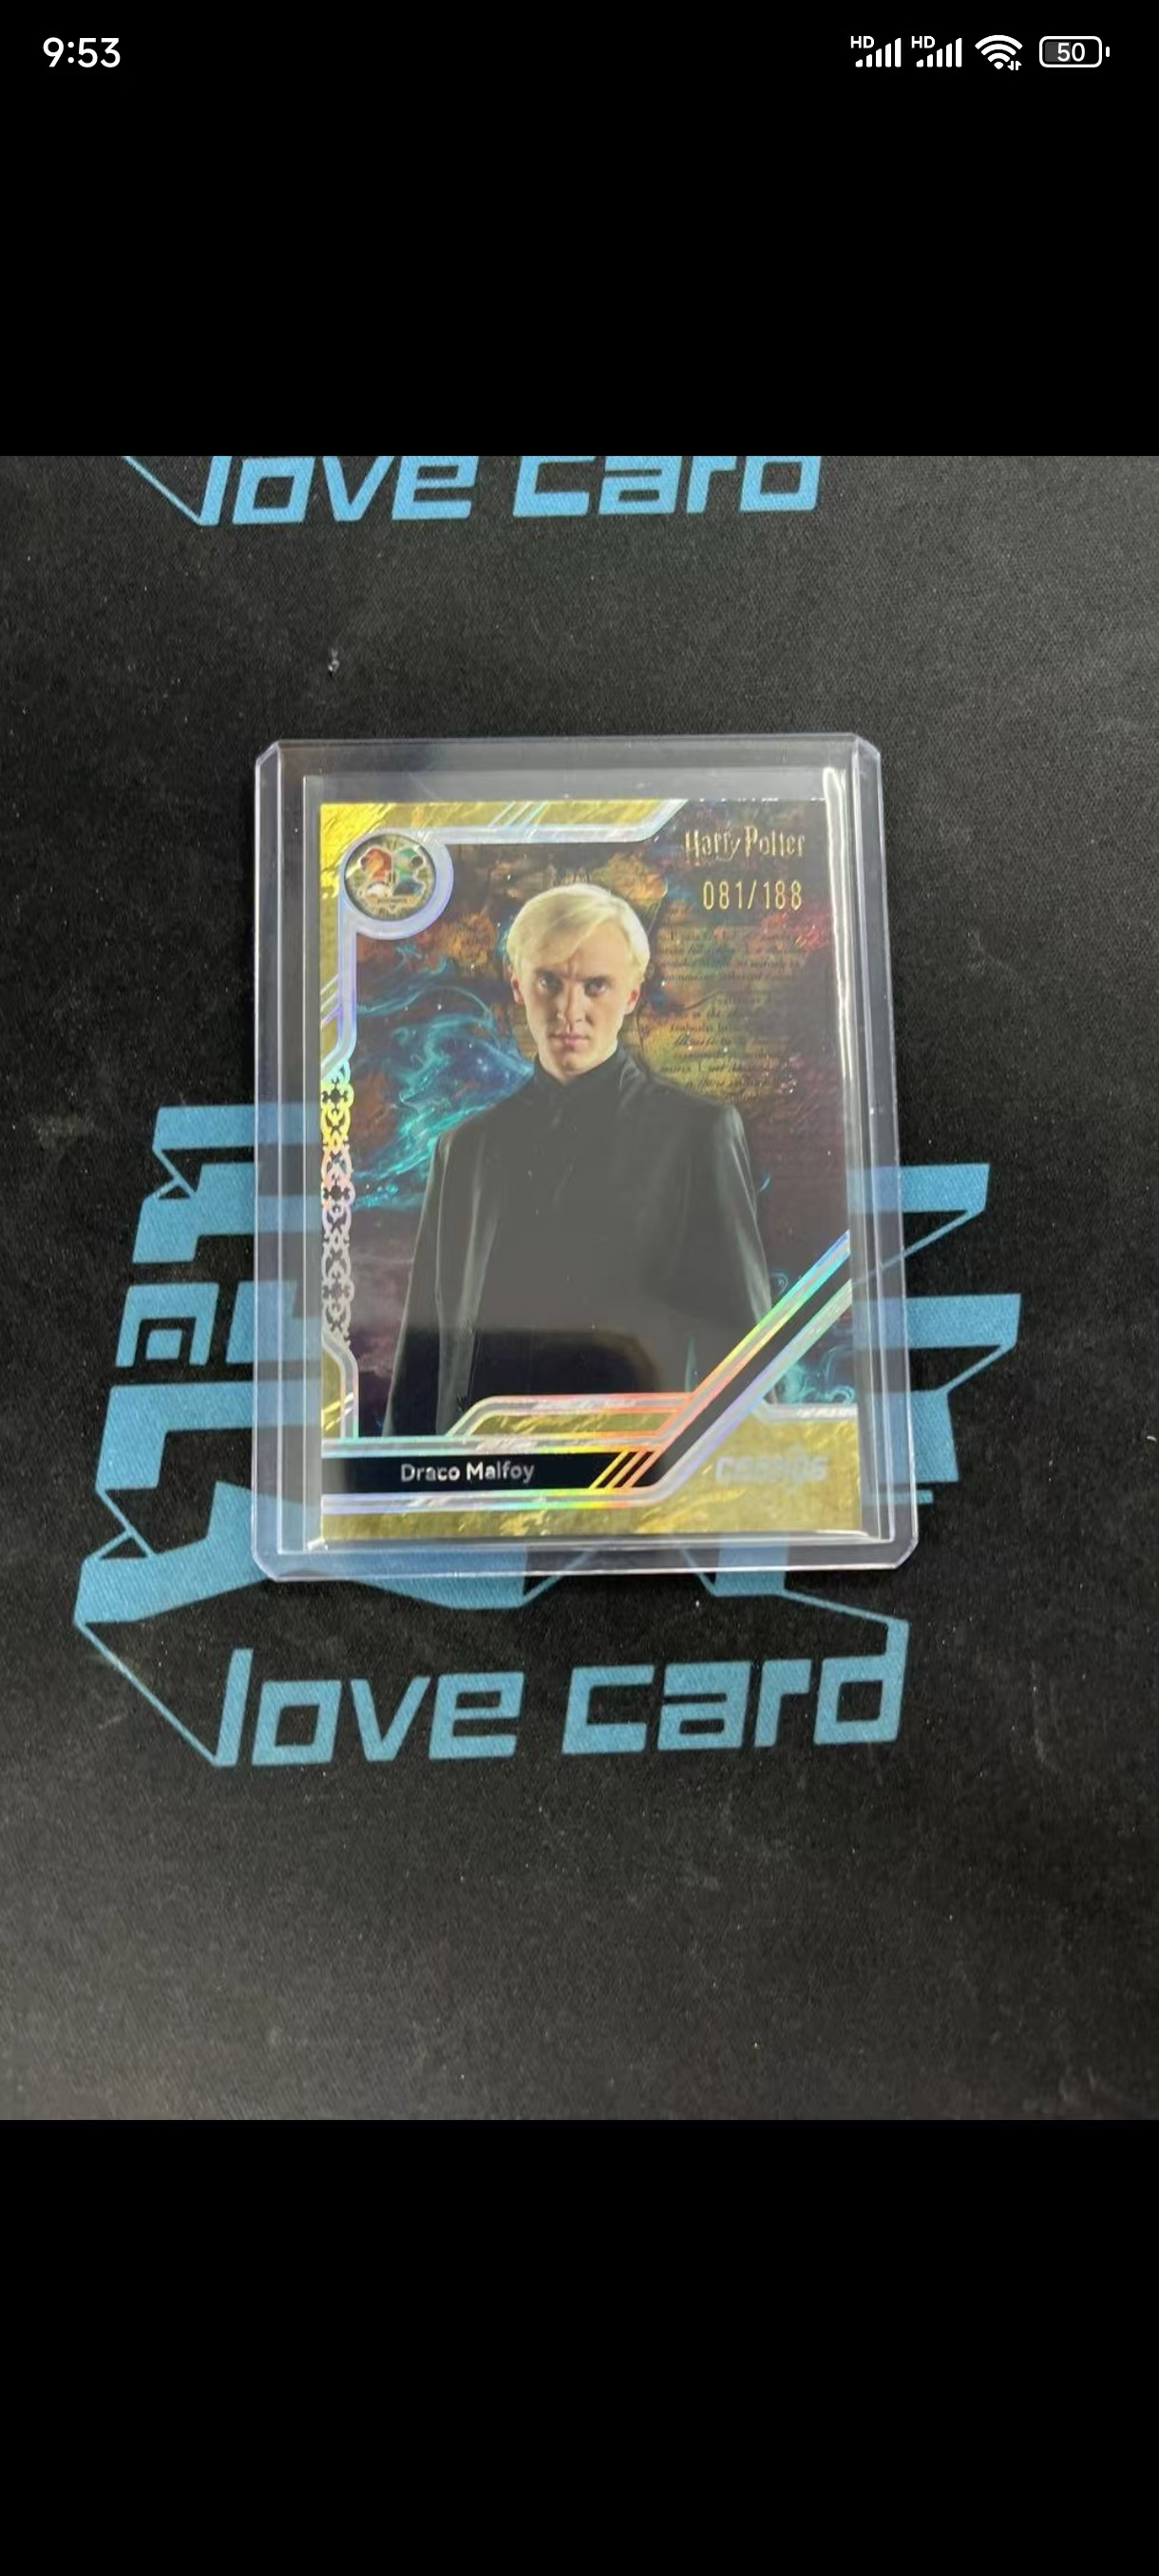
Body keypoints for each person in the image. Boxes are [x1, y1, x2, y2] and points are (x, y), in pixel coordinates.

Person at [384, 884, 770, 1436]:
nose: (571, 1011)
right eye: (550, 981)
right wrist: (398, 1486)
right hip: (475, 1478)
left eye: (596, 985)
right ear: (517, 984)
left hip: (631, 1478)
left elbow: (743, 1368)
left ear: (633, 993)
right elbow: (424, 1364)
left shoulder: (696, 1136)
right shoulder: (464, 1149)